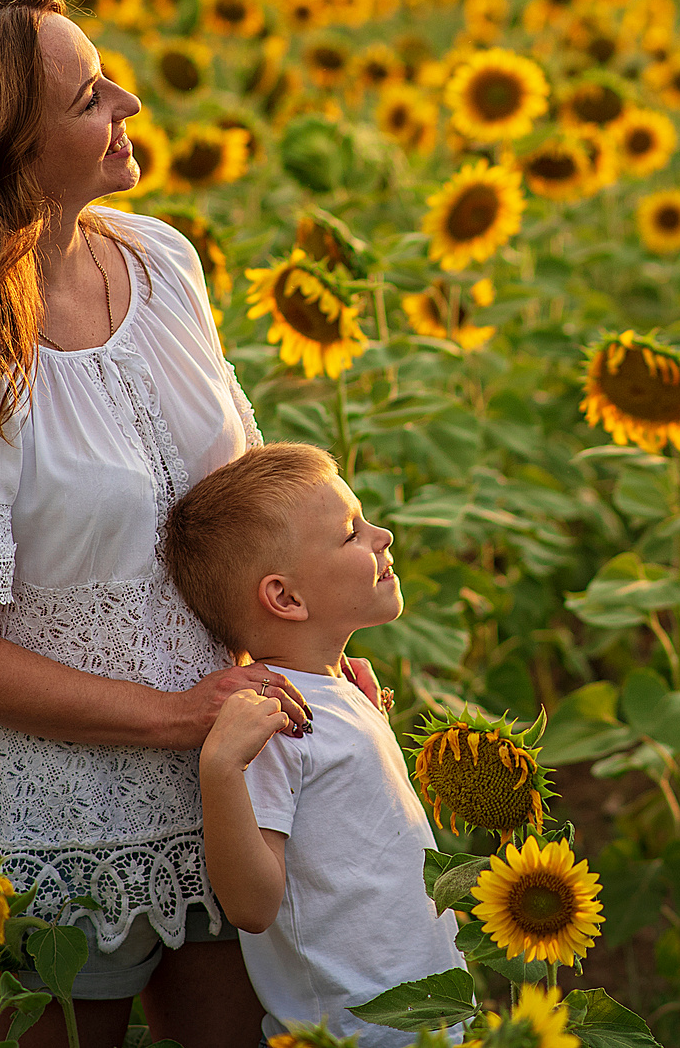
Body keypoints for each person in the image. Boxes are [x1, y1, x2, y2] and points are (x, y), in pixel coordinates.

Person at [0, 0, 368, 1048]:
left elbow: (239, 509)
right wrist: (175, 714)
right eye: (87, 96)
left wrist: (310, 657)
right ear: (7, 150)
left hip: (228, 781)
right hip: (57, 822)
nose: (130, 103)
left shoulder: (161, 262)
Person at [164, 443, 463, 1048]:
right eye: (352, 532)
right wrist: (221, 768)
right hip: (354, 1029)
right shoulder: (273, 722)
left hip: (419, 1012)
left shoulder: (333, 692)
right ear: (286, 599)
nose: (382, 536)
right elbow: (252, 903)